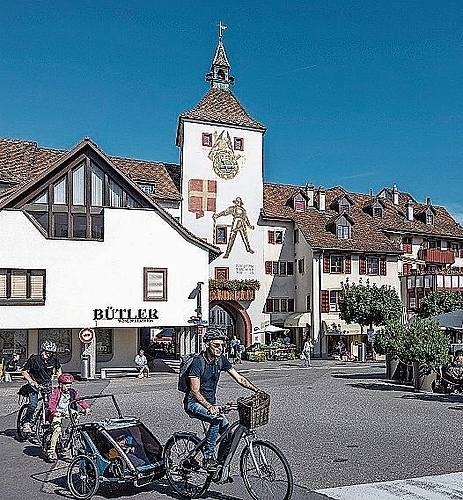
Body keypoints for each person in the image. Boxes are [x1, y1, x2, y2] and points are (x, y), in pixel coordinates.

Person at [184, 328, 261, 472]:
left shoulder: (221, 360)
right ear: (207, 344)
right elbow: (194, 391)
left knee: (228, 435)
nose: (220, 348)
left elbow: (239, 378)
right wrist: (209, 406)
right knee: (216, 419)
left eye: (222, 345)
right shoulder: (198, 363)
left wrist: (257, 390)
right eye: (217, 345)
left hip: (211, 404)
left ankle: (218, 466)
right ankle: (208, 458)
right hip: (194, 403)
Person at [46, 373, 90, 461]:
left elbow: (79, 400)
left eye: (69, 385)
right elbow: (52, 403)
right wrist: (54, 412)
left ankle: (69, 429)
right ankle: (51, 450)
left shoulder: (72, 392)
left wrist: (86, 407)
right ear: (60, 384)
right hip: (57, 412)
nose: (68, 387)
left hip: (67, 410)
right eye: (66, 385)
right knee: (57, 429)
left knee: (76, 414)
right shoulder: (56, 392)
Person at [21, 340, 62, 434]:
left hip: (47, 383)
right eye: (47, 352)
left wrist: (60, 381)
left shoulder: (54, 359)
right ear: (42, 350)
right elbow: (24, 371)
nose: (49, 354)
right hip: (34, 383)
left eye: (51, 353)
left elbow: (58, 370)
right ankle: (26, 422)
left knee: (49, 405)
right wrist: (31, 381)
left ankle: (47, 421)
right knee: (33, 404)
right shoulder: (34, 359)